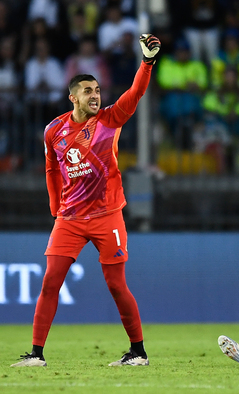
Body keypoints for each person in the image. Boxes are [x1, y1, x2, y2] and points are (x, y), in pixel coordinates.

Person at [10, 33, 161, 368]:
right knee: (50, 281)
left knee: (116, 285)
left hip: (108, 215)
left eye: (98, 90)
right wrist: (55, 207)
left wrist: (147, 62)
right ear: (72, 97)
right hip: (71, 218)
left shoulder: (109, 120)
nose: (96, 96)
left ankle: (138, 352)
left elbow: (135, 93)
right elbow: (51, 169)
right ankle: (36, 355)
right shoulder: (53, 130)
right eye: (88, 91)